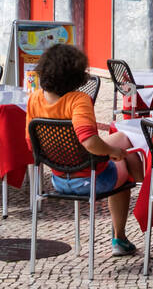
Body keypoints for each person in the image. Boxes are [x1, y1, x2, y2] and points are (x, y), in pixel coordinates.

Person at [25, 43, 143, 256]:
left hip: (59, 179)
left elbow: (30, 143)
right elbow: (89, 141)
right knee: (124, 160)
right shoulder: (78, 100)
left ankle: (144, 181)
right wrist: (111, 153)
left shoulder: (34, 99)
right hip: (91, 180)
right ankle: (120, 236)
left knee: (123, 139)